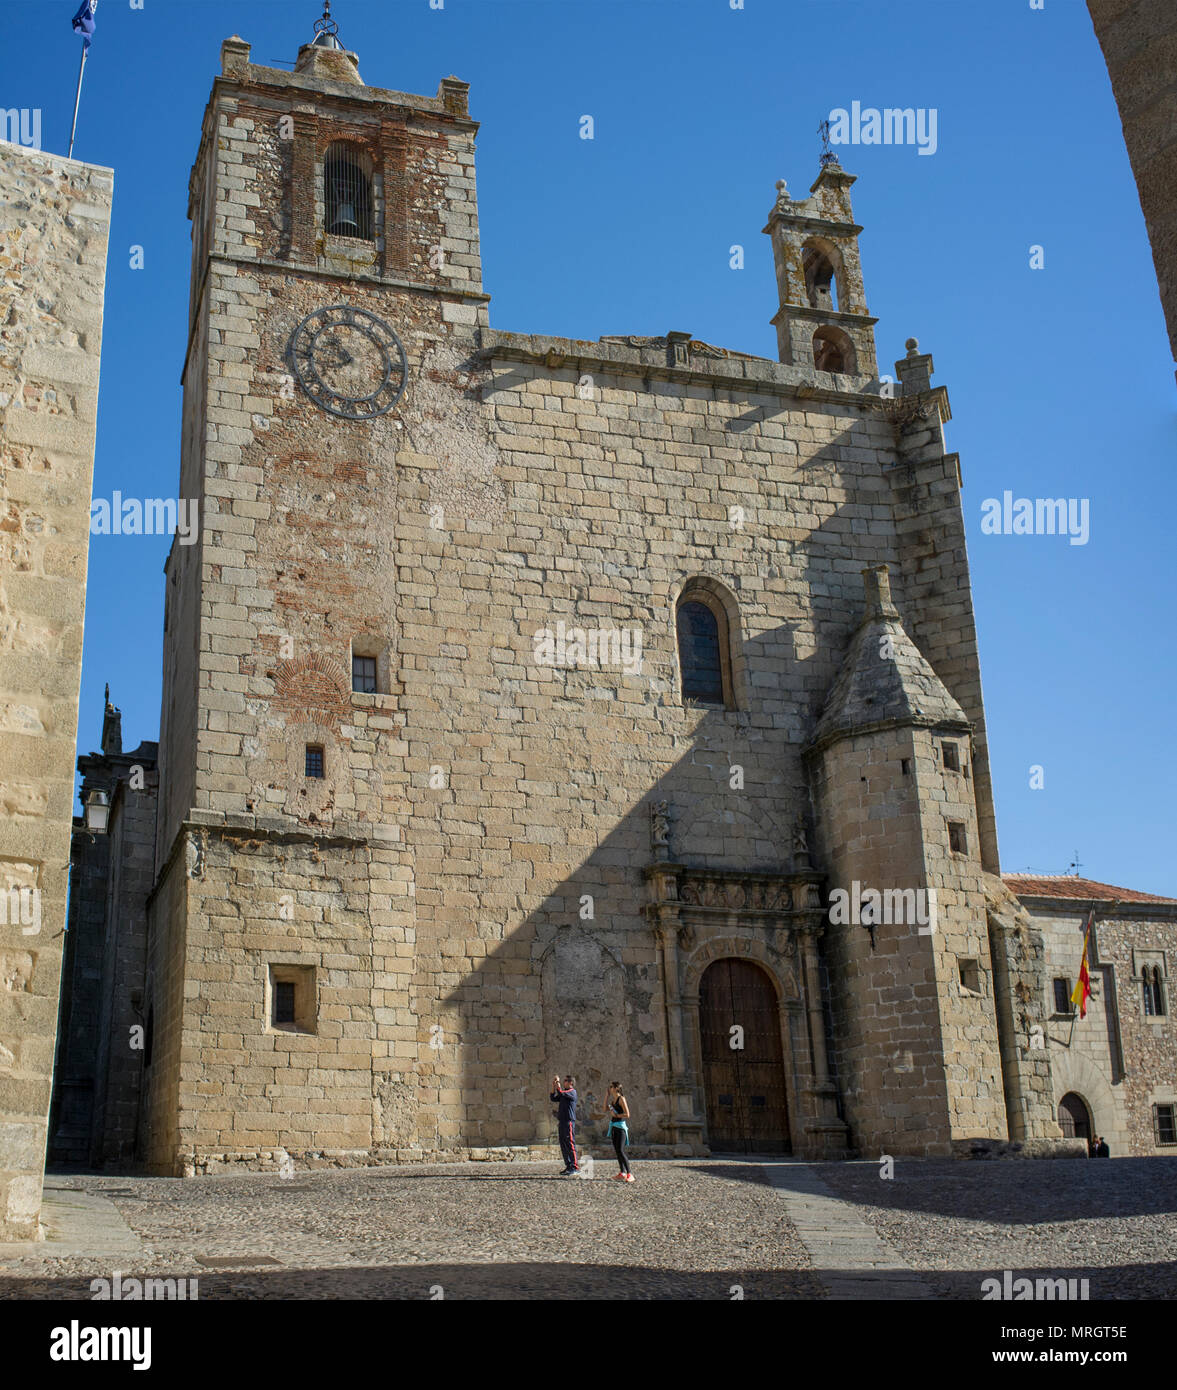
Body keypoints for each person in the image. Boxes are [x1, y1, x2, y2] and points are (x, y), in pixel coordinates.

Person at [550, 1074, 579, 1175]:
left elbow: (561, 1093)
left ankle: (574, 1166)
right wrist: (554, 1086)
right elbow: (553, 1098)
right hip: (562, 1121)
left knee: (570, 1143)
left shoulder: (572, 1092)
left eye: (566, 1080)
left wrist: (557, 1083)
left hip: (569, 1121)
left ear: (571, 1083)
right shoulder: (564, 1094)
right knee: (563, 1143)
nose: (564, 1082)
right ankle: (568, 1165)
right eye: (564, 1080)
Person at [605, 1081, 634, 1183]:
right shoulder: (613, 1101)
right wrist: (606, 1097)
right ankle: (622, 1173)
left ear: (616, 1088)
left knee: (621, 1150)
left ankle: (630, 1173)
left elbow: (627, 1114)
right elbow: (605, 1109)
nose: (610, 1088)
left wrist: (616, 1116)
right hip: (613, 1127)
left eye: (611, 1087)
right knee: (617, 1151)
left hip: (621, 1127)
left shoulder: (621, 1099)